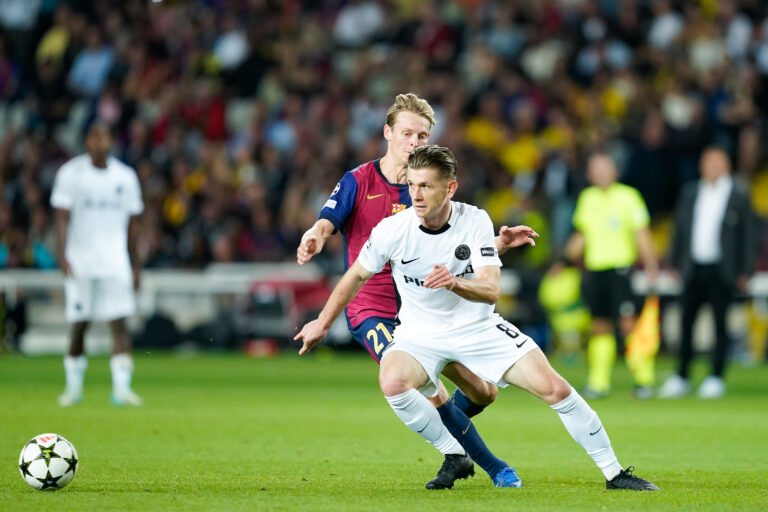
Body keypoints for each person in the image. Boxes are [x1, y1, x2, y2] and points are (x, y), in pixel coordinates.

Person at [296, 144, 659, 491]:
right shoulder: (393, 230)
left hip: (478, 328)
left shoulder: (475, 221)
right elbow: (355, 276)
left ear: (450, 187)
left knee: (555, 389)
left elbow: (491, 289)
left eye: (425, 186)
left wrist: (455, 283)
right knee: (392, 380)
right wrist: (323, 323)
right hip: (420, 334)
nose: (416, 195)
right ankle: (454, 452)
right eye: (411, 185)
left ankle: (615, 473)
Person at [297, 93, 539, 488]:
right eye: (407, 133)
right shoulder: (359, 181)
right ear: (388, 133)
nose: (414, 142)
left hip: (426, 308)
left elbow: (448, 245)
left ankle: (451, 446)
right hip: (372, 308)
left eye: (422, 134)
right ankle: (485, 464)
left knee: (483, 392)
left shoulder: (428, 184)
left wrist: (493, 245)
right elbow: (327, 220)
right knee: (427, 388)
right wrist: (315, 235)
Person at [51, 122, 144, 407]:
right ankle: (73, 388)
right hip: (82, 260)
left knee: (119, 322)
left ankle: (122, 389)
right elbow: (61, 217)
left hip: (115, 260)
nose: (99, 143)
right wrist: (63, 254)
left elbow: (132, 225)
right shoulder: (71, 174)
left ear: (111, 141)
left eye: (104, 137)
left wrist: (135, 264)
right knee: (80, 323)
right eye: (94, 137)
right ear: (87, 141)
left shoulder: (125, 177)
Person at [659, 147, 756, 399]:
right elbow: (679, 229)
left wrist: (745, 270)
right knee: (686, 322)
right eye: (708, 162)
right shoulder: (691, 192)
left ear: (727, 166)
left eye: (717, 162)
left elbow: (749, 235)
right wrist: (674, 262)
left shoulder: (738, 195)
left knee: (720, 324)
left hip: (722, 270)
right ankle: (682, 375)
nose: (712, 167)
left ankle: (715, 376)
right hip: (693, 268)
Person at [565, 153, 658, 399]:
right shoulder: (588, 198)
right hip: (595, 271)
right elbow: (581, 235)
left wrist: (651, 263)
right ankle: (598, 382)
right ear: (590, 174)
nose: (601, 173)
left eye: (605, 168)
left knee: (629, 325)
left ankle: (643, 380)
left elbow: (641, 233)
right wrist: (563, 260)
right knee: (599, 326)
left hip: (621, 269)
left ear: (615, 172)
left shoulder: (628, 196)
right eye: (596, 169)